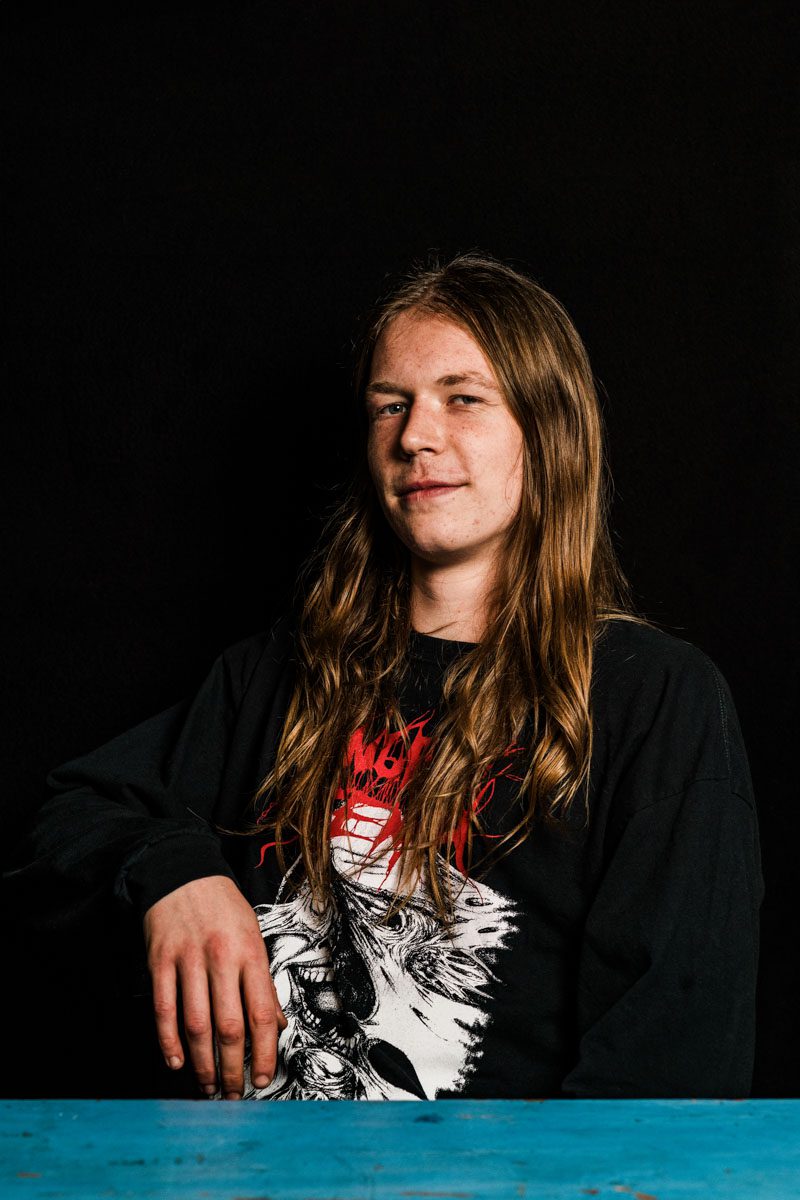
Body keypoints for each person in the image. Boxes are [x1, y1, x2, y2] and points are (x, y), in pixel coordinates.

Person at [5, 252, 764, 1102]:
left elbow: (671, 1068)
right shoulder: (280, 672)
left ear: (548, 430)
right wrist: (174, 872)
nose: (415, 436)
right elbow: (66, 820)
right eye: (391, 406)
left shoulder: (651, 698)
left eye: (462, 398)